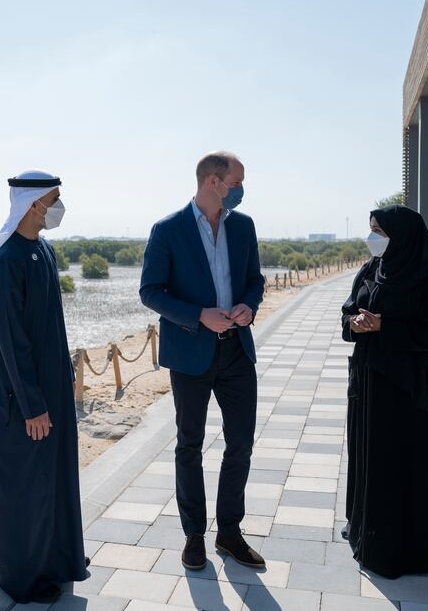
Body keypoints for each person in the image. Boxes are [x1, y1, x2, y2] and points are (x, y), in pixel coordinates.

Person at [140, 151, 266, 570]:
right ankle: (194, 534)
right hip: (190, 354)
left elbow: (255, 280)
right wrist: (198, 316)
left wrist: (249, 305)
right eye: (238, 181)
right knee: (189, 445)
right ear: (214, 181)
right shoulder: (167, 230)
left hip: (236, 351)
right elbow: (151, 291)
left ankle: (229, 533)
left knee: (241, 444)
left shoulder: (244, 227)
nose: (242, 189)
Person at [0, 171, 88, 604]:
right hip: (20, 399)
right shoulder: (6, 262)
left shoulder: (43, 249)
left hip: (51, 391)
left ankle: (56, 563)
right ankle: (24, 577)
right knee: (26, 486)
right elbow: (10, 342)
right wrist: (32, 406)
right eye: (53, 199)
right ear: (32, 203)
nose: (58, 207)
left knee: (53, 479)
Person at [341, 205, 428, 578]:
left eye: (381, 231)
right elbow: (347, 312)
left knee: (398, 463)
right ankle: (362, 531)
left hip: (405, 386)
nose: (374, 238)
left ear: (402, 235)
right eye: (371, 229)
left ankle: (397, 551)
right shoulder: (372, 269)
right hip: (368, 380)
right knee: (366, 455)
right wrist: (355, 323)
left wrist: (384, 328)